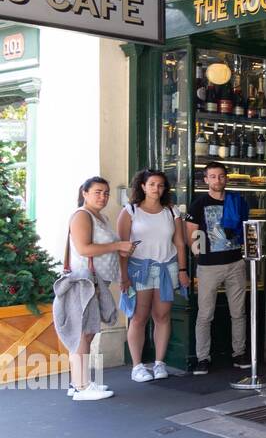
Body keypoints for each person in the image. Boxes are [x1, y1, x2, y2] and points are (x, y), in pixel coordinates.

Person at [53, 177, 133, 401]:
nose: (103, 196)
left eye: (106, 193)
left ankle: (78, 382)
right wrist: (117, 245)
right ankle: (81, 386)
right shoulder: (82, 215)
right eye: (98, 192)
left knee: (87, 333)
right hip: (85, 282)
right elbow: (84, 248)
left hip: (97, 282)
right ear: (85, 193)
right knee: (82, 333)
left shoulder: (101, 217)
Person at [117, 169, 189, 383]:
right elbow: (122, 247)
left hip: (167, 268)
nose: (156, 189)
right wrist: (123, 276)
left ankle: (159, 363)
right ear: (142, 186)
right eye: (152, 184)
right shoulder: (130, 211)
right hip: (139, 269)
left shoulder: (172, 211)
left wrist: (183, 270)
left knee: (163, 316)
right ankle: (137, 366)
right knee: (139, 317)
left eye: (160, 185)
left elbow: (179, 243)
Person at [184, 161, 249, 374]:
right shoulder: (199, 203)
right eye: (212, 176)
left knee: (238, 312)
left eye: (220, 176)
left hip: (235, 262)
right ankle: (203, 357)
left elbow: (245, 228)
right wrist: (199, 253)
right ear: (206, 180)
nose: (217, 180)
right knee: (205, 314)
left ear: (226, 178)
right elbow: (191, 232)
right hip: (209, 266)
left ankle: (238, 353)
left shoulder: (237, 201)